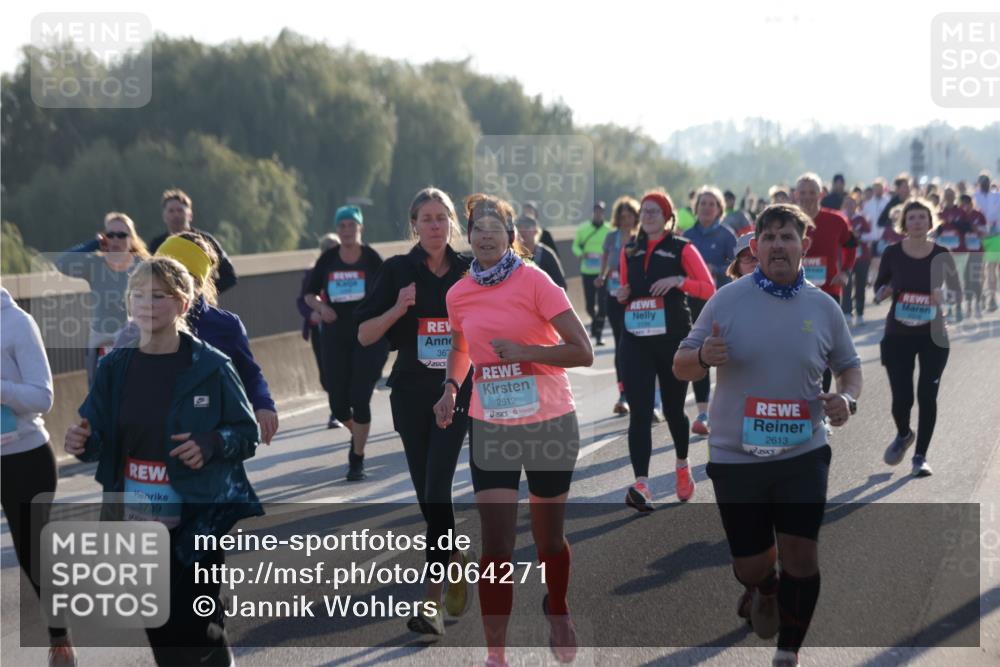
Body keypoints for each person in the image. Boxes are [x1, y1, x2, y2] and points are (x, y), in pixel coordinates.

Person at [674, 203, 863, 667]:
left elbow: (850, 367)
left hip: (803, 449)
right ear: (755, 247)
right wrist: (704, 358)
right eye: (770, 237)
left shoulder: (823, 307)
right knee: (752, 564)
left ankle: (788, 651)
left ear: (804, 246)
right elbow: (680, 364)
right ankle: (764, 586)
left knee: (801, 554)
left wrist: (848, 400)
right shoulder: (727, 299)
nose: (779, 245)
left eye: (788, 237)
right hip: (736, 455)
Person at [65, 257, 262, 666]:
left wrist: (209, 443)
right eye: (138, 295)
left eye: (158, 296)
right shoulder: (114, 367)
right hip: (136, 512)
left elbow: (246, 434)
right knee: (158, 622)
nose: (146, 304)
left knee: (197, 621)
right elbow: (97, 435)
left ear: (183, 303)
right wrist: (82, 442)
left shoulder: (211, 366)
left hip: (197, 512)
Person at [433, 193, 593, 667]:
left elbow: (581, 350)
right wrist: (449, 387)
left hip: (549, 422)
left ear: (510, 237)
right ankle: (495, 655)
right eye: (477, 228)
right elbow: (462, 348)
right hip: (492, 426)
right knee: (497, 545)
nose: (484, 235)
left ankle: (558, 608)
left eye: (493, 228)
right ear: (470, 236)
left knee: (547, 541)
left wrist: (526, 353)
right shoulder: (458, 293)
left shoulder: (536, 281)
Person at [355, 188, 475, 636]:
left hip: (455, 390)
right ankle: (457, 558)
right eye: (426, 218)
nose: (435, 226)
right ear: (414, 225)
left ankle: (430, 604)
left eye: (442, 218)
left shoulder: (469, 270)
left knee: (438, 486)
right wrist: (398, 307)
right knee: (428, 496)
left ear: (451, 224)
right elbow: (365, 335)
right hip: (408, 391)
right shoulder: (397, 271)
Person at [113, 233, 280, 446]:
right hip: (151, 444)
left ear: (197, 283)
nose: (169, 284)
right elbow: (111, 386)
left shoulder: (226, 326)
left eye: (178, 276)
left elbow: (249, 372)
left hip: (211, 441)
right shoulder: (134, 329)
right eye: (162, 275)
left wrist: (263, 404)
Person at [617, 191, 716, 509]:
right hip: (635, 340)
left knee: (674, 411)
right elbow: (624, 288)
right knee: (641, 414)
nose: (647, 215)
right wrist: (622, 293)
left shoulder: (682, 248)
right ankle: (642, 485)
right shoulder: (628, 250)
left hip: (672, 338)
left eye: (654, 211)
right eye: (643, 210)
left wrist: (678, 281)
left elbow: (709, 288)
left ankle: (682, 466)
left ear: (668, 216)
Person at [1, 287, 77, 667]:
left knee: (33, 555)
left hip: (22, 455)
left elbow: (42, 396)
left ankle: (59, 637)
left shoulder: (16, 322)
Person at [875, 198, 961, 478]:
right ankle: (904, 433)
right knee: (902, 398)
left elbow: (957, 292)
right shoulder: (892, 253)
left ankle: (920, 456)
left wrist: (943, 296)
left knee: (927, 395)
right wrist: (884, 292)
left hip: (933, 336)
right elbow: (878, 288)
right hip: (898, 335)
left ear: (930, 221)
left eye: (922, 217)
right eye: (911, 218)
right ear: (904, 223)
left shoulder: (941, 253)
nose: (917, 222)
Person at [303, 206, 388, 481]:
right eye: (342, 226)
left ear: (360, 228)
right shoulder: (328, 259)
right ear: (337, 230)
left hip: (367, 337)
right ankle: (359, 431)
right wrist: (320, 307)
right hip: (336, 337)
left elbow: (388, 290)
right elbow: (308, 294)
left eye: (352, 225)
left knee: (360, 397)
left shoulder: (372, 258)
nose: (347, 230)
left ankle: (357, 457)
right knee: (339, 404)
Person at [54, 212, 150, 387]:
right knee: (98, 390)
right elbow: (61, 263)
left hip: (134, 339)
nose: (116, 239)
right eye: (110, 235)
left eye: (121, 235)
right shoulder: (95, 264)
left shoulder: (143, 266)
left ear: (131, 239)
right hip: (101, 339)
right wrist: (94, 244)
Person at [795, 173, 857, 392]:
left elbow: (851, 244)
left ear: (821, 194)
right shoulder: (789, 220)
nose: (807, 197)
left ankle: (821, 405)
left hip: (827, 291)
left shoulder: (836, 220)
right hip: (793, 292)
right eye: (803, 192)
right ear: (796, 194)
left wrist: (846, 272)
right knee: (796, 346)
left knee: (823, 346)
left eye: (812, 192)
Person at [684, 185, 738, 435]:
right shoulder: (686, 236)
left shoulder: (727, 236)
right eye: (703, 203)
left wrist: (715, 269)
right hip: (694, 302)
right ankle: (703, 413)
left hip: (723, 302)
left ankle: (731, 407)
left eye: (711, 204)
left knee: (728, 355)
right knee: (700, 353)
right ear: (696, 207)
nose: (706, 207)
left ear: (719, 209)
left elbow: (738, 269)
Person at [595, 196, 640, 416]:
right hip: (614, 296)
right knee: (621, 343)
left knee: (638, 343)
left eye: (629, 216)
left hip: (636, 297)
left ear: (635, 217)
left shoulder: (640, 238)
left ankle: (641, 389)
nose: (625, 220)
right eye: (622, 217)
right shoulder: (611, 237)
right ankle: (623, 392)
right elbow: (605, 258)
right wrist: (601, 276)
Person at [148, 188, 237, 293]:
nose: (176, 215)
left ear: (190, 215)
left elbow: (229, 276)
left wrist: (206, 292)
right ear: (164, 216)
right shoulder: (156, 244)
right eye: (171, 211)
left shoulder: (206, 241)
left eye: (180, 210)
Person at [297, 233, 343, 429]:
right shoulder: (313, 272)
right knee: (326, 374)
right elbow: (302, 300)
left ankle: (338, 411)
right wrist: (312, 314)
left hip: (342, 329)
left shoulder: (348, 272)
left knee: (340, 369)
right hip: (320, 330)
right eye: (327, 250)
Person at [571, 201, 611, 345]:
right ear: (592, 213)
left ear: (603, 213)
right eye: (595, 211)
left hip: (603, 272)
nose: (598, 213)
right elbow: (575, 246)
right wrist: (582, 254)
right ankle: (595, 322)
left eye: (600, 211)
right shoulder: (583, 229)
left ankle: (598, 333)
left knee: (602, 304)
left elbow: (613, 247)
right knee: (589, 305)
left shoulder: (609, 229)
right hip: (587, 271)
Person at [841, 193, 873, 325]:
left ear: (856, 204)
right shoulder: (841, 218)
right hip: (846, 258)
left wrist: (859, 236)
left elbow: (870, 235)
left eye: (852, 203)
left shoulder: (861, 218)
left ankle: (860, 313)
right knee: (846, 285)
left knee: (860, 286)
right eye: (847, 203)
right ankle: (847, 312)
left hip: (862, 257)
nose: (849, 206)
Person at [958, 194, 988, 316]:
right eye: (962, 204)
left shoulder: (978, 215)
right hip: (964, 251)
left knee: (975, 278)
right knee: (966, 278)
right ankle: (969, 304)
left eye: (967, 204)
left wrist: (977, 230)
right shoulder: (959, 217)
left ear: (971, 204)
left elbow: (985, 232)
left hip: (977, 250)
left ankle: (979, 302)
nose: (965, 207)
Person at [516, 215, 566, 289]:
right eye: (518, 228)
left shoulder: (546, 255)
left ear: (536, 231)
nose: (522, 230)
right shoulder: (510, 255)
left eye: (526, 227)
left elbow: (561, 285)